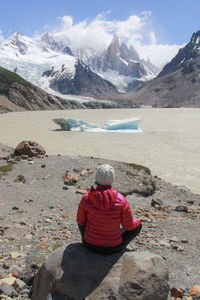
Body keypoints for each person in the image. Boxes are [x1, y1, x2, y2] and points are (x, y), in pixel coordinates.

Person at [77, 164, 142, 254]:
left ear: (96, 178)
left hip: (89, 245)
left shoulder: (87, 198)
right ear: (113, 179)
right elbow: (129, 226)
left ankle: (91, 239)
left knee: (82, 222)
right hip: (113, 248)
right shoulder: (121, 200)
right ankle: (119, 247)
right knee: (137, 226)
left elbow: (81, 222)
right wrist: (138, 221)